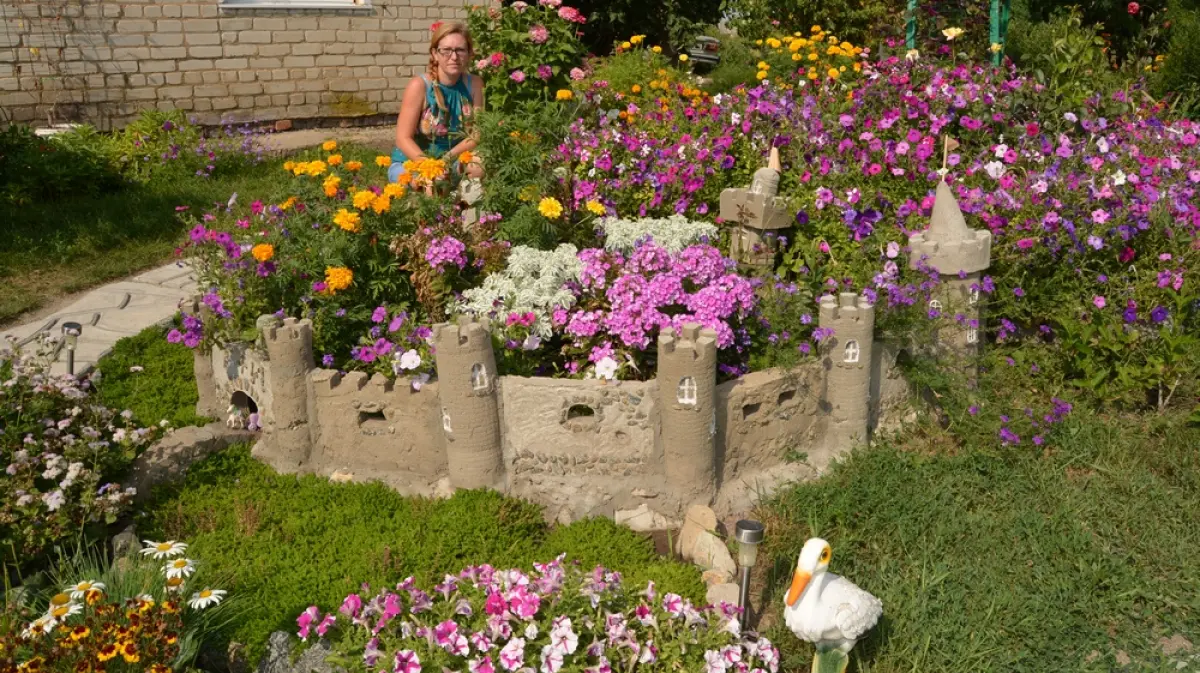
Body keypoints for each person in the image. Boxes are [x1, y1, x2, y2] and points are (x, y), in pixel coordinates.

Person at [390, 21, 485, 185]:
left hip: (451, 160)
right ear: (434, 53)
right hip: (414, 161)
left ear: (469, 53)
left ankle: (460, 199)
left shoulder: (474, 84)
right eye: (446, 50)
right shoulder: (419, 86)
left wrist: (448, 159)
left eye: (460, 50)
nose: (454, 57)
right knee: (430, 184)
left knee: (480, 165)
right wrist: (429, 166)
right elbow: (402, 138)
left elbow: (476, 134)